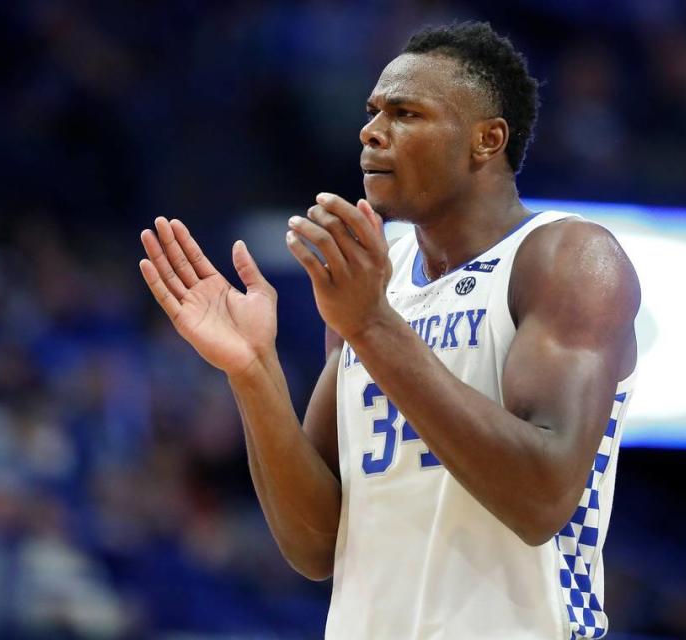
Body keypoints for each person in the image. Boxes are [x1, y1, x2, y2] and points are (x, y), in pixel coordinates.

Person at [138, 21, 639, 640]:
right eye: (373, 111)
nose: (371, 131)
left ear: (487, 139)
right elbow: (316, 544)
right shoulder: (378, 280)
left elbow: (541, 499)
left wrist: (373, 325)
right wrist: (253, 371)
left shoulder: (566, 257)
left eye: (405, 113)